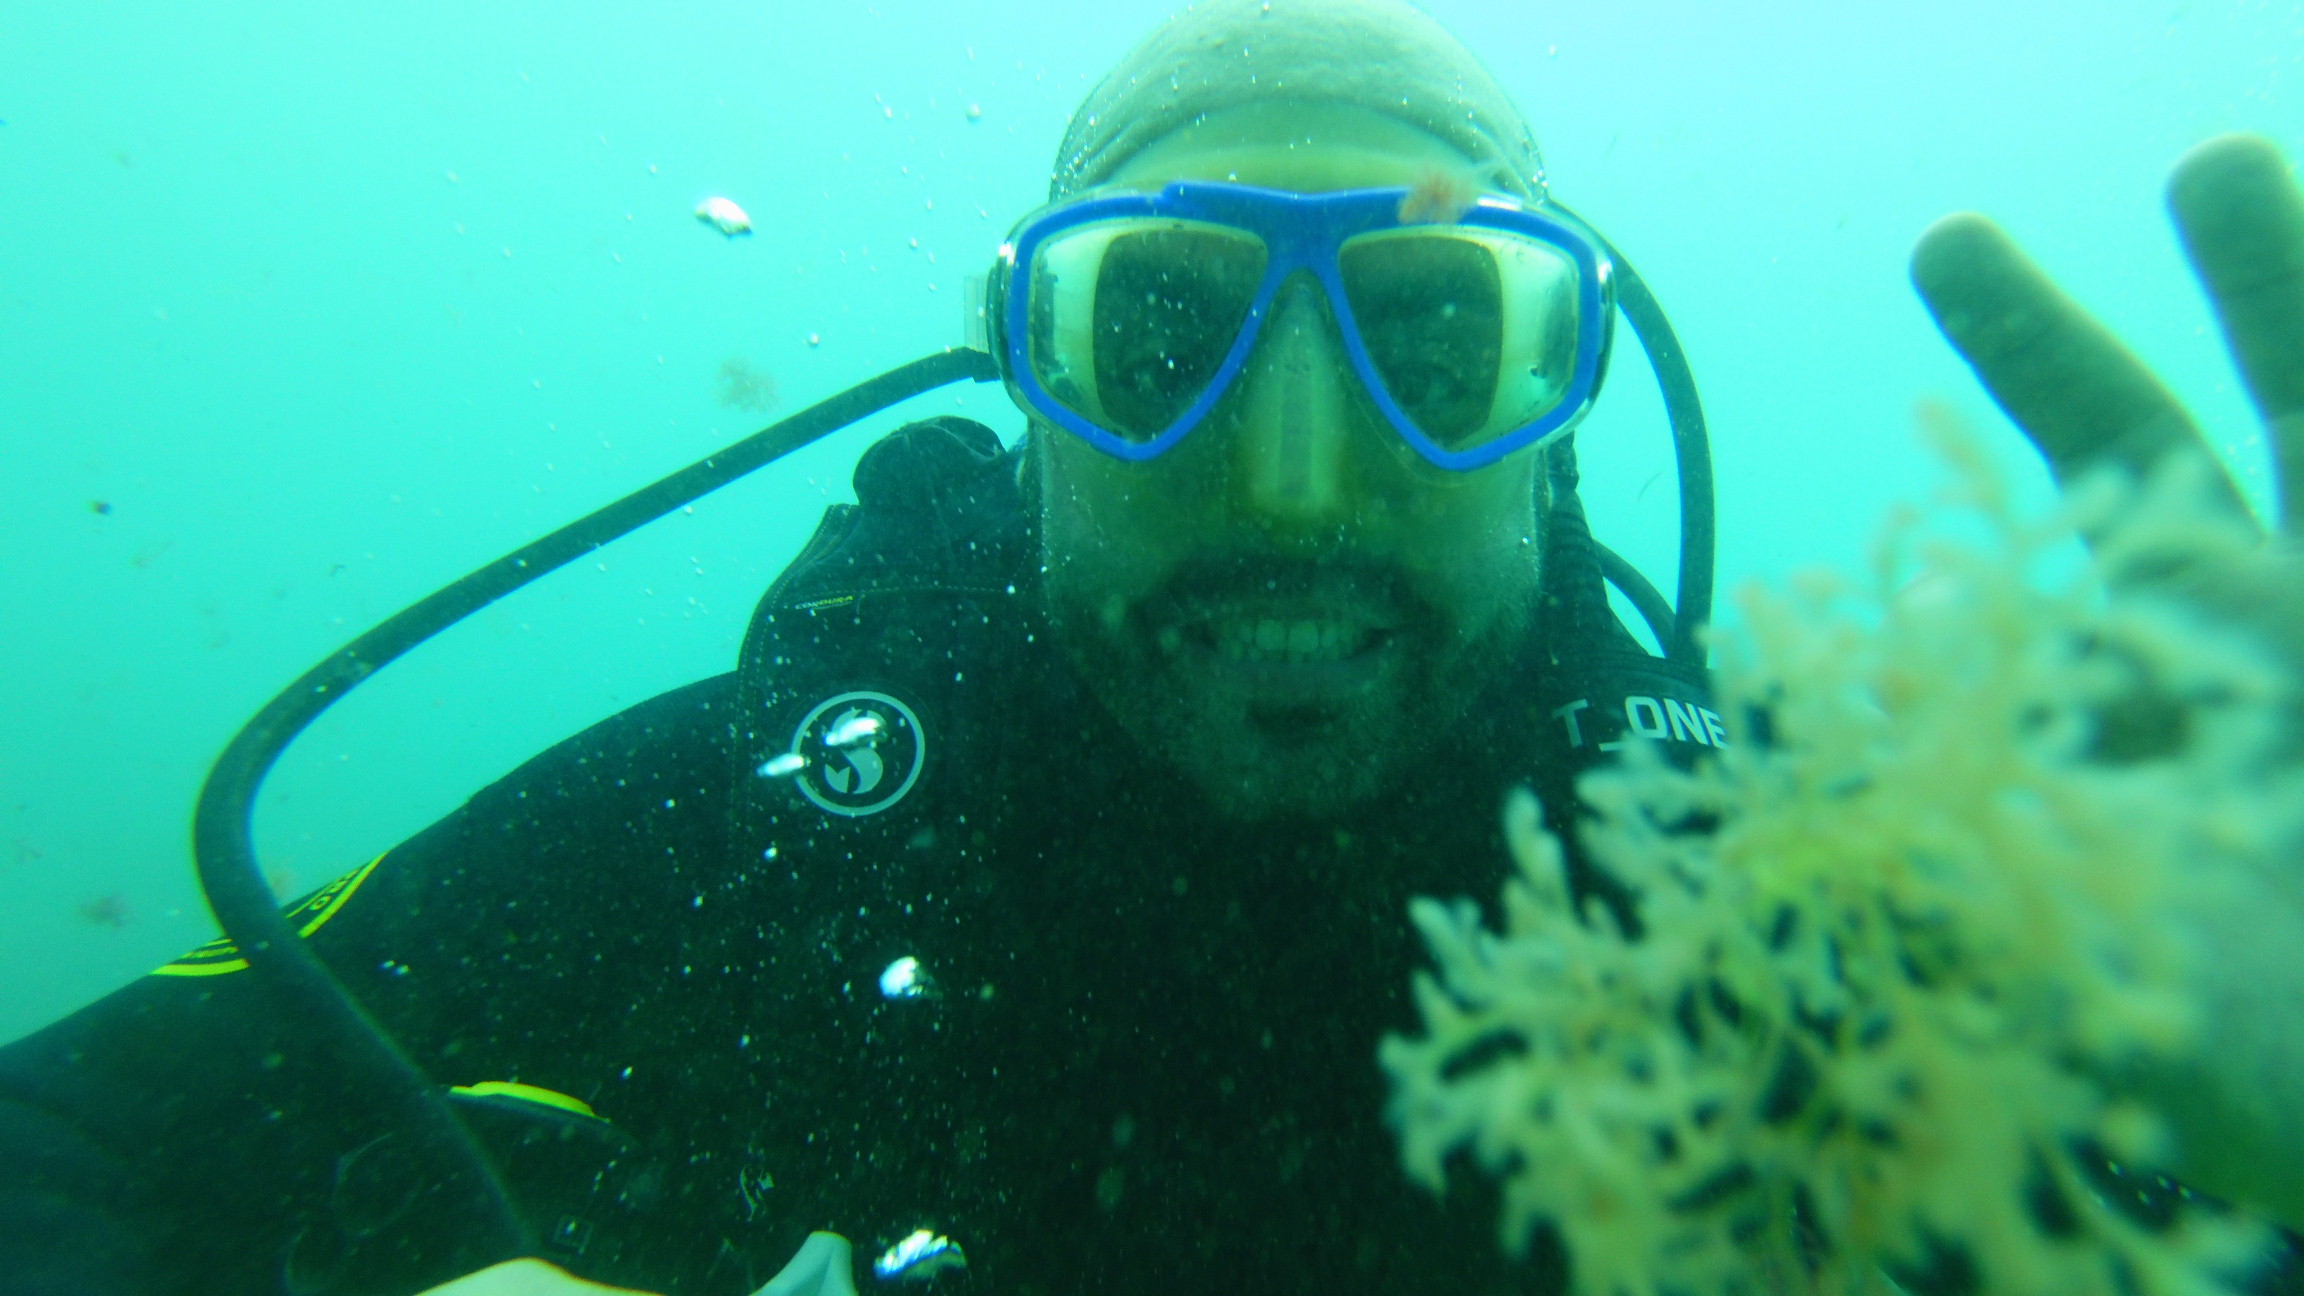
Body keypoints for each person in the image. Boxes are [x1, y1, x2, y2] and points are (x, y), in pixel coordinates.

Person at [4, 2, 2299, 1294]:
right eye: (1164, 331)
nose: (1294, 481)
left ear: (1555, 412)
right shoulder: (785, 834)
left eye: (1434, 334)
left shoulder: (1803, 887)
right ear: (1028, 386)